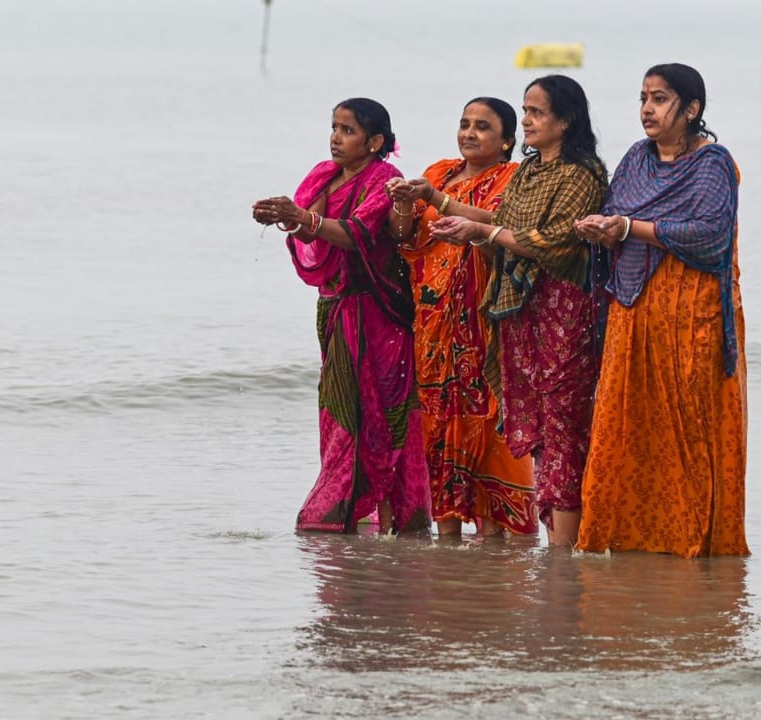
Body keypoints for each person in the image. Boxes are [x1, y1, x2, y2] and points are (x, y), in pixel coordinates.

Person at [573, 63, 749, 558]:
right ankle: (629, 542)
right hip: (633, 309)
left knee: (689, 426)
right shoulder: (636, 158)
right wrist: (604, 230)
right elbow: (617, 214)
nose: (647, 109)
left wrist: (630, 228)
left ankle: (694, 547)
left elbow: (710, 236)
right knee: (625, 422)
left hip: (692, 312)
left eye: (660, 99)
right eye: (643, 98)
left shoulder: (712, 163)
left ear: (691, 109)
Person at [429, 76, 607, 546]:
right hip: (520, 310)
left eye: (536, 112)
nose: (526, 120)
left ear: (565, 120)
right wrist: (449, 211)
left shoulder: (581, 174)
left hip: (563, 313)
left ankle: (565, 553)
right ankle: (558, 546)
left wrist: (482, 234)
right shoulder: (529, 171)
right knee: (538, 428)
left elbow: (553, 242)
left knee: (564, 425)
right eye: (525, 111)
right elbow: (504, 222)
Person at [251, 98, 430, 535]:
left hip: (377, 313)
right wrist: (281, 218)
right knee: (339, 410)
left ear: (375, 141)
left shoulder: (385, 179)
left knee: (382, 412)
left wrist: (300, 217)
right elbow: (310, 231)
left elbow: (357, 233)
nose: (335, 138)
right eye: (334, 127)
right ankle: (347, 510)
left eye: (347, 130)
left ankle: (392, 519)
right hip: (334, 309)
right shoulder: (323, 176)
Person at [383, 98, 538, 539]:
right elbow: (404, 237)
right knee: (437, 419)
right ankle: (448, 539)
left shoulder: (513, 177)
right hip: (433, 320)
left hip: (484, 321)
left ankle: (497, 535)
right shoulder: (439, 171)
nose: (469, 132)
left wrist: (437, 200)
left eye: (483, 126)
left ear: (507, 140)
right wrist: (402, 203)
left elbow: (501, 224)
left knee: (487, 418)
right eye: (465, 123)